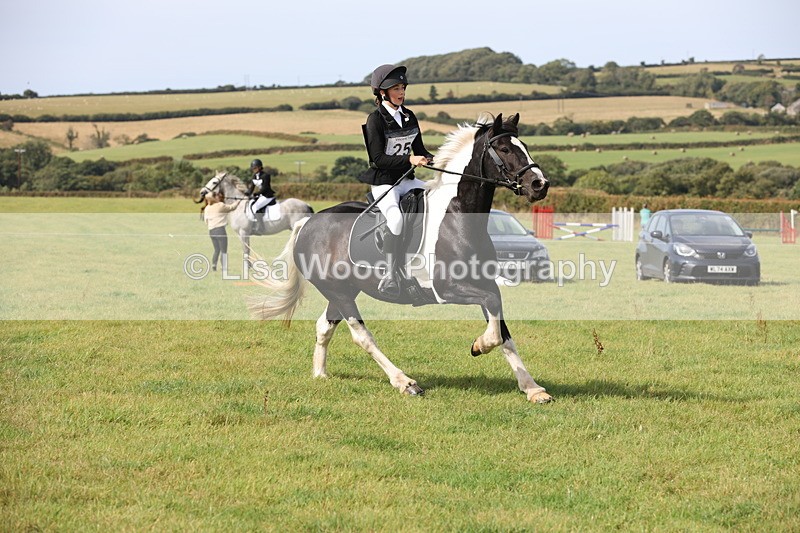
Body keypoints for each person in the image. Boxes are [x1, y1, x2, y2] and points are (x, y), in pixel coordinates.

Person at [358, 63, 435, 295]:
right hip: (385, 183)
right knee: (396, 220)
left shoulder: (409, 116)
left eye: (403, 87)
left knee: (440, 200)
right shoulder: (375, 120)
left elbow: (420, 148)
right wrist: (410, 160)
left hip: (408, 180)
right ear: (382, 93)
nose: (401, 92)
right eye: (396, 88)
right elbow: (378, 159)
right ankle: (390, 275)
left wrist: (432, 158)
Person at [203, 191, 241, 271]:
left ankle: (214, 265)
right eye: (217, 196)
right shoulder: (220, 205)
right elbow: (231, 208)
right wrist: (238, 201)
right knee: (224, 250)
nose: (218, 196)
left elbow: (206, 221)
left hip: (211, 231)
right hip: (220, 230)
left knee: (216, 249)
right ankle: (224, 267)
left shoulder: (207, 208)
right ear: (214, 198)